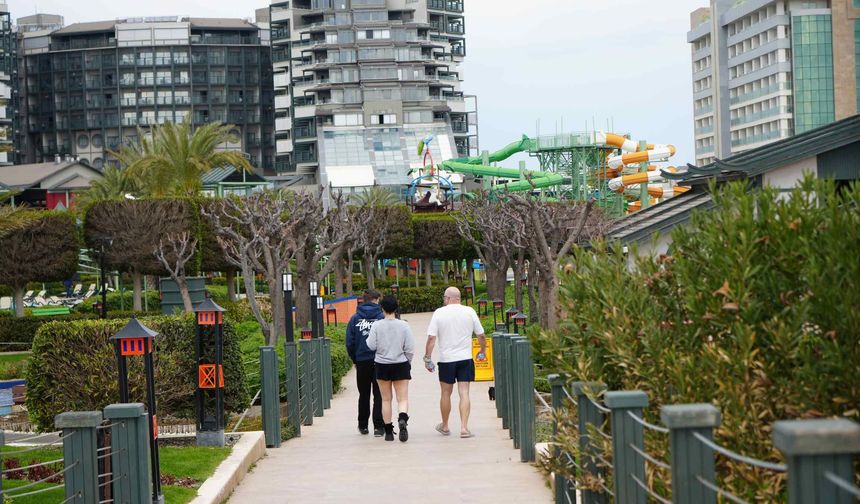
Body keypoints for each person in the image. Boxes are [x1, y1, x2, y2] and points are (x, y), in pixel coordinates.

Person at [423, 286, 486, 438]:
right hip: (465, 358)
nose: (444, 300)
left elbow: (432, 338)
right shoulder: (469, 311)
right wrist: (482, 350)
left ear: (450, 298)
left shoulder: (439, 313)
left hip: (446, 360)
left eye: (445, 297)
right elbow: (481, 335)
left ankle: (445, 426)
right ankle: (464, 428)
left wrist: (427, 357)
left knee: (445, 393)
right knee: (464, 392)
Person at [366, 295, 415, 442]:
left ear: (382, 309)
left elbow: (371, 345)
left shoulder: (376, 325)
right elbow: (410, 348)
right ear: (396, 308)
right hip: (400, 364)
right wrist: (408, 362)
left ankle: (388, 432)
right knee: (402, 398)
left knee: (386, 399)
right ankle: (402, 418)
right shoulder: (404, 325)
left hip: (382, 364)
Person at [345, 290, 385, 436]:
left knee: (364, 394)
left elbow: (349, 342)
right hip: (379, 360)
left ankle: (363, 426)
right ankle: (378, 427)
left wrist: (354, 358)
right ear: (375, 300)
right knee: (379, 394)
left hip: (361, 360)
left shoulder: (355, 319)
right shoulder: (382, 317)